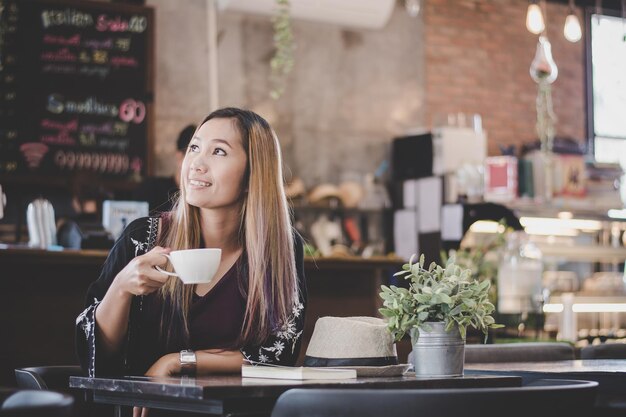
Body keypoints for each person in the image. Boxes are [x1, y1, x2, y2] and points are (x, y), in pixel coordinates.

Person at [76, 107, 306, 391]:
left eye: (218, 152)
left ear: (252, 174)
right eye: (194, 148)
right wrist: (122, 287)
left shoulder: (281, 247)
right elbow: (95, 353)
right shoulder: (143, 238)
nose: (196, 162)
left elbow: (279, 355)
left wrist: (179, 361)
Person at [132, 124, 196, 213]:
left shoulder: (201, 199)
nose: (199, 164)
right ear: (179, 157)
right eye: (194, 152)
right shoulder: (151, 189)